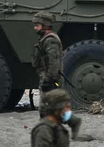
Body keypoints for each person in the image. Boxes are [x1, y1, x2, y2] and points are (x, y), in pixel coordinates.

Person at [31, 12, 81, 140]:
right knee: (53, 108)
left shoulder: (50, 40)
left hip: (52, 80)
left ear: (45, 25)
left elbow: (54, 62)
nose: (35, 28)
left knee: (46, 109)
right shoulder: (45, 39)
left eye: (37, 25)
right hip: (49, 78)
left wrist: (48, 80)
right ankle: (73, 122)